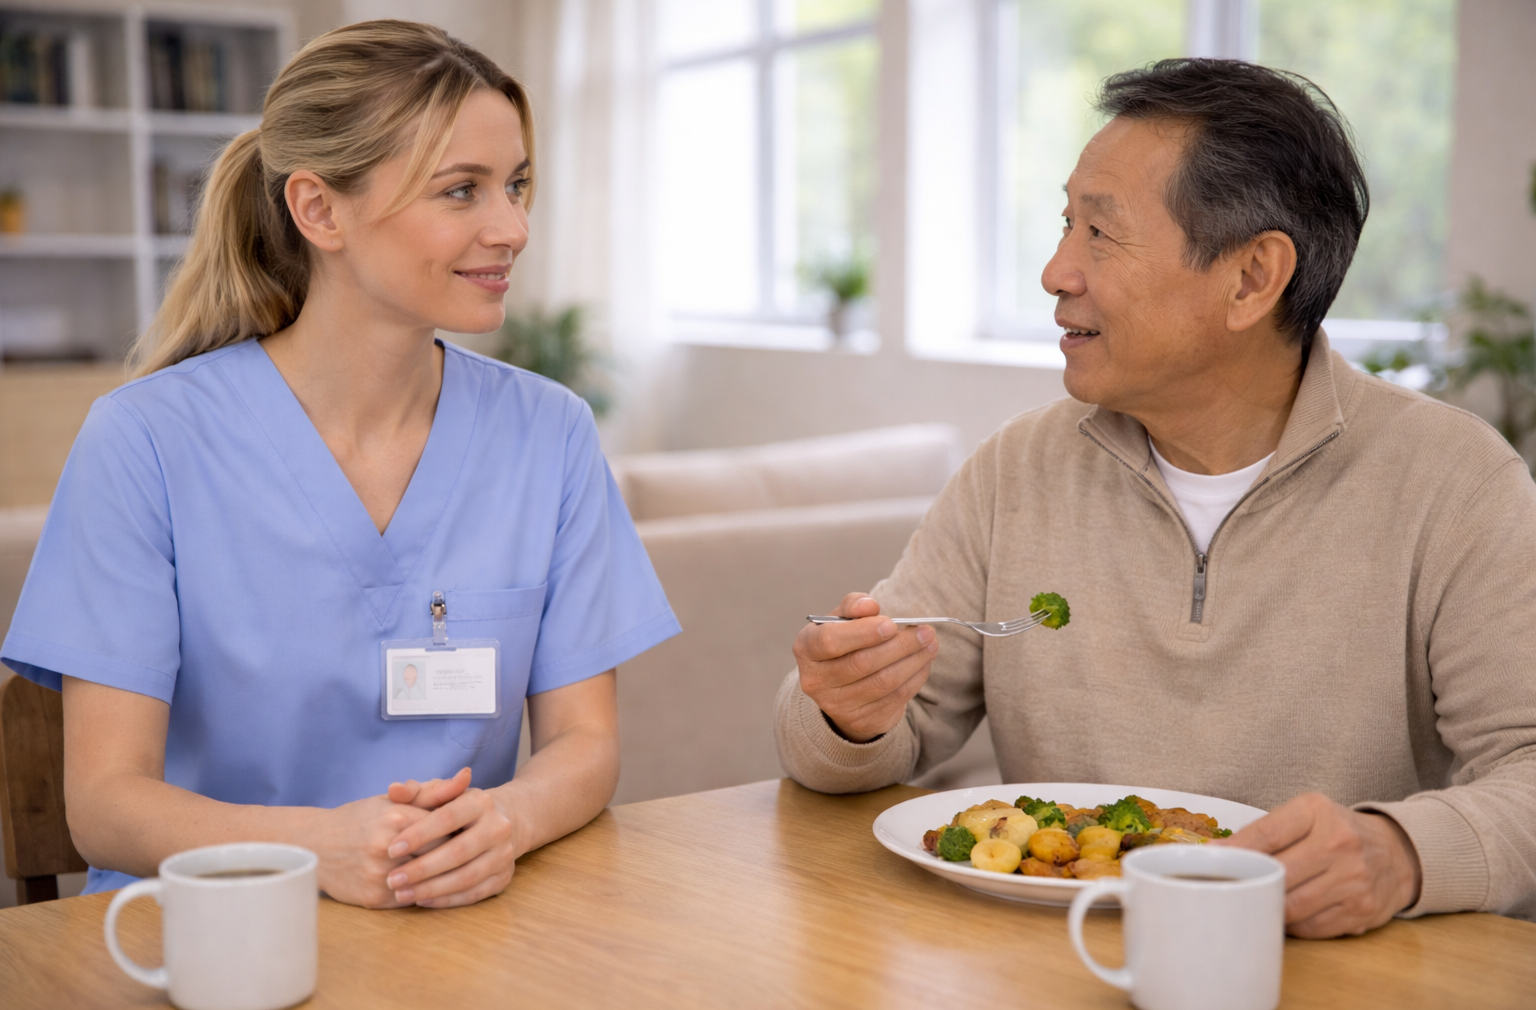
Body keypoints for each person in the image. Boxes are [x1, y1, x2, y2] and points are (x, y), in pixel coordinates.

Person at [776, 59, 1536, 937]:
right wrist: (848, 713)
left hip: (1331, 967)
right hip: (1055, 967)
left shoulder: (1454, 481)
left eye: (1101, 232)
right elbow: (846, 746)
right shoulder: (1017, 469)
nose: (1056, 271)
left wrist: (1400, 853)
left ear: (1252, 278)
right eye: (1067, 223)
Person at [0, 20, 680, 910]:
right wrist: (313, 849)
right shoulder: (144, 441)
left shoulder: (550, 433)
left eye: (515, 185)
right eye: (461, 190)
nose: (512, 227)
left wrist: (505, 821)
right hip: (205, 931)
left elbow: (585, 745)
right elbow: (103, 806)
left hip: (451, 928)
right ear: (320, 210)